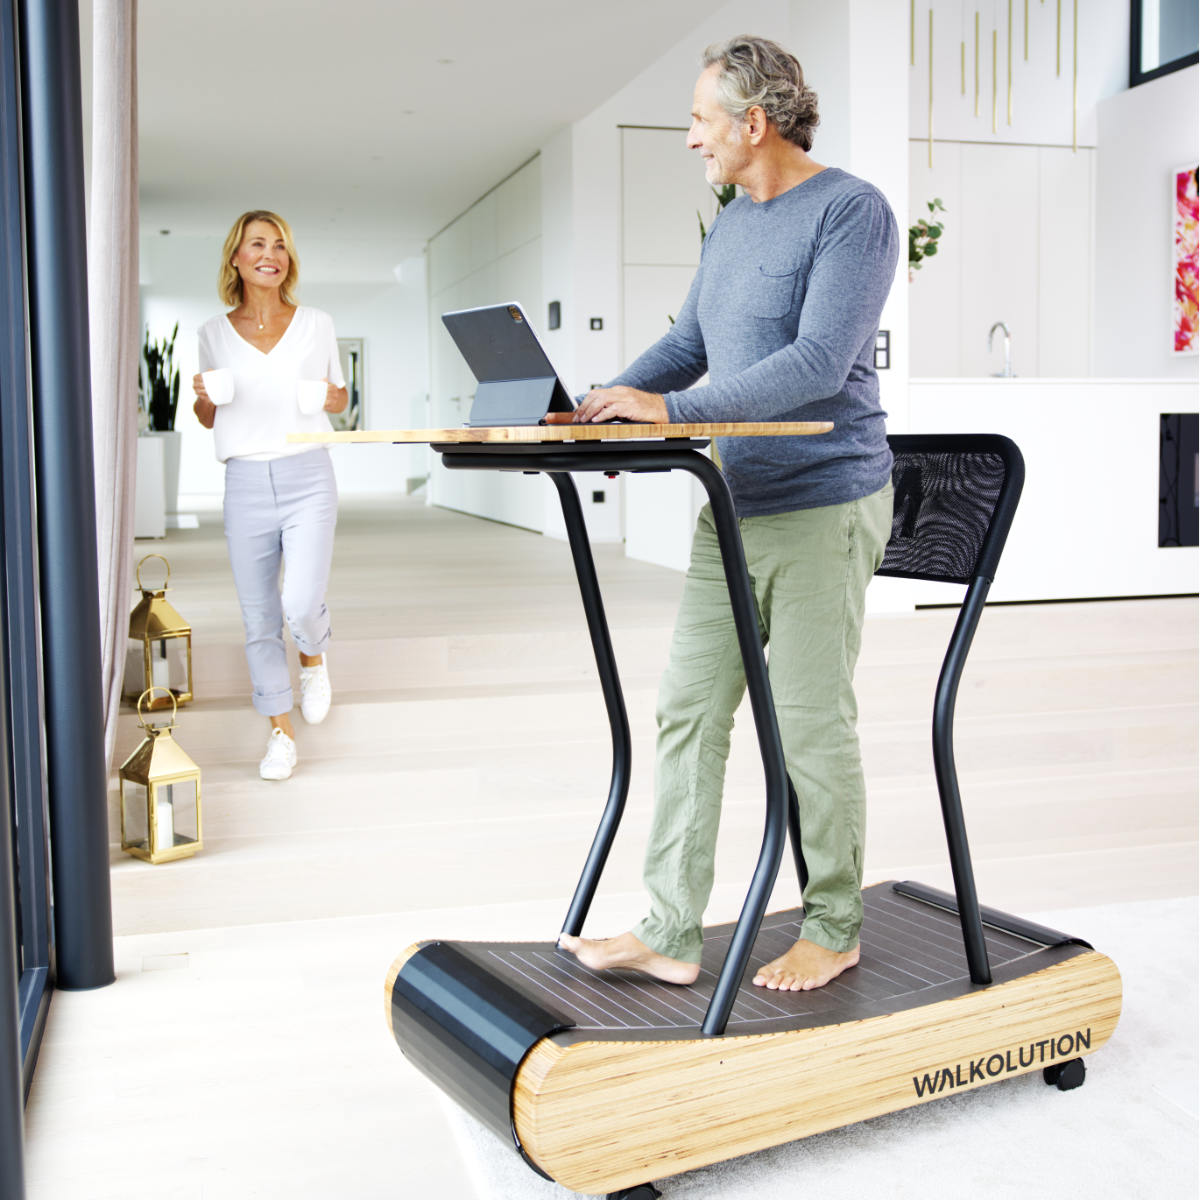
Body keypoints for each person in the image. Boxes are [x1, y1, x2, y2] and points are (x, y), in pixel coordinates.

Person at [558, 36, 899, 992]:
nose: (691, 138)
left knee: (807, 724)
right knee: (687, 711)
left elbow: (816, 366)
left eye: (702, 119)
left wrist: (669, 414)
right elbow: (690, 341)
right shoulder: (733, 222)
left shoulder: (851, 212)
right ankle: (671, 928)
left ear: (754, 122)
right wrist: (602, 404)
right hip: (734, 504)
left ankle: (836, 924)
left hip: (824, 503)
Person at [192, 210, 348, 781]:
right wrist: (204, 396)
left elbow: (338, 396)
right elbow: (207, 416)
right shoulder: (212, 332)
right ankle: (280, 734)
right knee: (259, 617)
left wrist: (333, 399)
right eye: (257, 244)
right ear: (236, 256)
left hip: (308, 472)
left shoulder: (317, 323)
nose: (270, 253)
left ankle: (313, 656)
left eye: (279, 244)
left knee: (300, 602)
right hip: (245, 481)